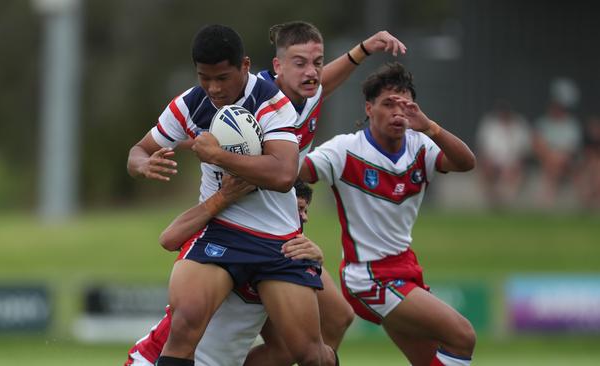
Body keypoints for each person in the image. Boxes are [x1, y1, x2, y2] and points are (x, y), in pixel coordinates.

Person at [127, 21, 407, 366]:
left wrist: (217, 155)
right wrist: (143, 164)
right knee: (185, 322)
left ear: (244, 66)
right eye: (204, 77)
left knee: (309, 353)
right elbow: (138, 150)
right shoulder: (190, 103)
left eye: (222, 78)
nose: (213, 88)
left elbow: (283, 173)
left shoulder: (272, 103)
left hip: (278, 240)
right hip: (222, 229)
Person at [299, 62, 477, 366]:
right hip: (368, 276)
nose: (397, 112)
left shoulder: (421, 146)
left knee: (429, 360)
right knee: (463, 336)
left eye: (405, 105)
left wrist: (431, 127)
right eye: (388, 104)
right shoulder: (345, 150)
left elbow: (466, 162)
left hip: (405, 268)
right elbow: (295, 172)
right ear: (369, 109)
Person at [125, 178, 323, 366]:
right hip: (155, 359)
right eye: (298, 209)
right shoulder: (226, 236)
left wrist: (316, 264)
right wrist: (223, 196)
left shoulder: (292, 260)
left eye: (305, 210)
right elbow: (168, 239)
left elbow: (287, 347)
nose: (304, 217)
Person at [475, 100, 532, 208]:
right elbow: (482, 150)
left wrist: (513, 166)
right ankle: (493, 200)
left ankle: (506, 202)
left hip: (513, 165)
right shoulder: (489, 125)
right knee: (485, 170)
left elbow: (524, 153)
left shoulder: (519, 126)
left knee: (515, 173)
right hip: (493, 164)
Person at [533, 100, 582, 206]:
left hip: (565, 158)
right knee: (552, 161)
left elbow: (573, 147)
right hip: (547, 157)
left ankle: (548, 195)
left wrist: (559, 155)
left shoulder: (571, 124)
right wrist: (550, 154)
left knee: (555, 161)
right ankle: (548, 195)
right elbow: (537, 142)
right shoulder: (544, 123)